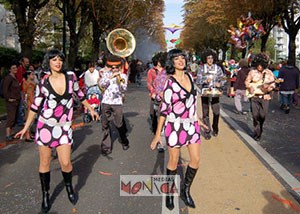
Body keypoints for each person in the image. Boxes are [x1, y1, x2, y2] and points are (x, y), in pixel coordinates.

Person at [15, 49, 99, 213]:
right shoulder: (44, 82)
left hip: (63, 128)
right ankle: (45, 195)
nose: (58, 62)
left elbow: (80, 94)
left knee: (66, 162)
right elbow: (34, 106)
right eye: (54, 60)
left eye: (60, 59)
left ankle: (69, 187)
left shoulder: (71, 77)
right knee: (45, 163)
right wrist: (26, 128)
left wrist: (91, 109)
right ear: (49, 62)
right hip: (45, 126)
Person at [150, 49, 208, 210]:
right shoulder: (170, 83)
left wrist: (198, 119)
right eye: (177, 59)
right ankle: (169, 193)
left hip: (191, 126)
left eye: (183, 58)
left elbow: (191, 102)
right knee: (173, 161)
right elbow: (164, 111)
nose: (181, 61)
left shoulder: (190, 77)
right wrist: (157, 136)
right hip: (175, 127)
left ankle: (185, 190)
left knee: (195, 160)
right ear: (172, 62)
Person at [99, 55, 129, 155]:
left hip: (117, 102)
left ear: (119, 67)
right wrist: (110, 77)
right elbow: (102, 84)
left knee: (119, 124)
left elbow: (124, 89)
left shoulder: (123, 76)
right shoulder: (106, 74)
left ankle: (124, 141)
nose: (115, 69)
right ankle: (106, 147)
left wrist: (119, 80)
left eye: (117, 67)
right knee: (105, 124)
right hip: (106, 101)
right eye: (113, 67)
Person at [245, 53, 275, 141]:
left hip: (265, 97)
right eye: (258, 65)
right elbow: (247, 82)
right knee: (255, 115)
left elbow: (273, 84)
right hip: (254, 97)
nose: (259, 67)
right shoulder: (252, 72)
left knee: (263, 115)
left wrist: (268, 88)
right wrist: (249, 87)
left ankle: (260, 127)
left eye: (261, 65)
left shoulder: (269, 73)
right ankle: (257, 132)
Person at [196, 49, 225, 139]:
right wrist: (205, 80)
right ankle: (207, 131)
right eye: (208, 58)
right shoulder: (201, 68)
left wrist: (220, 84)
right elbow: (198, 80)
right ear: (205, 59)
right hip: (205, 92)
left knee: (216, 112)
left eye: (212, 58)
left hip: (215, 92)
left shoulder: (218, 68)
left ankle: (215, 128)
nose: (210, 60)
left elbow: (223, 79)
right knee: (205, 113)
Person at [147, 52, 165, 134]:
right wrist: (152, 92)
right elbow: (149, 83)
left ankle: (161, 131)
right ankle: (155, 128)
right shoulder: (151, 71)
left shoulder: (166, 71)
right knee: (152, 113)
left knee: (162, 114)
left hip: (164, 97)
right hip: (155, 96)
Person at [3, 61, 21, 142]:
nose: (15, 69)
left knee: (14, 118)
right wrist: (8, 98)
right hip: (11, 101)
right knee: (11, 118)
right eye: (13, 68)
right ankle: (7, 135)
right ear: (10, 70)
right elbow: (5, 90)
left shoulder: (15, 77)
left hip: (16, 101)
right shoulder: (8, 78)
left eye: (16, 68)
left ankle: (11, 133)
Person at [22, 70, 37, 142]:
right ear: (28, 75)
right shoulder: (26, 83)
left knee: (32, 119)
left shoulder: (32, 83)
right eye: (32, 74)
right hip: (29, 101)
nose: (33, 76)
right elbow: (26, 92)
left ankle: (29, 134)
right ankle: (27, 135)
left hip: (32, 99)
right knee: (30, 118)